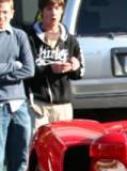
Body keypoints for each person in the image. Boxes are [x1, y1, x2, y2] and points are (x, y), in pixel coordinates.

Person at [0, 0, 35, 171]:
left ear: (12, 13)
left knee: (21, 159)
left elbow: (29, 69)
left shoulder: (20, 36)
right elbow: (20, 68)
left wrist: (5, 67)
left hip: (19, 105)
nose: (0, 16)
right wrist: (14, 65)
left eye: (4, 12)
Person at [27, 0, 83, 129]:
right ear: (41, 12)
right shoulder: (30, 38)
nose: (53, 13)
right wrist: (49, 68)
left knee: (64, 144)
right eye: (49, 9)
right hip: (38, 105)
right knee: (38, 145)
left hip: (63, 106)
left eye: (57, 9)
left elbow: (80, 71)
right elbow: (26, 68)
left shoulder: (70, 39)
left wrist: (74, 67)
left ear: (62, 11)